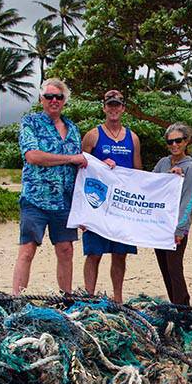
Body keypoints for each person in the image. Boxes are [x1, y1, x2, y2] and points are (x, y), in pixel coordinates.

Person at [11, 78, 87, 295]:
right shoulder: (30, 123)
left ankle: (66, 297)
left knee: (66, 250)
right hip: (35, 199)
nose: (54, 100)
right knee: (27, 250)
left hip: (65, 202)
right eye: (49, 96)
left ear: (64, 101)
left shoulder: (73, 129)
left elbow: (82, 164)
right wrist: (70, 158)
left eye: (59, 97)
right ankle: (17, 298)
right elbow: (33, 156)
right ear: (41, 99)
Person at [79, 89, 142, 301]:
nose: (114, 109)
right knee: (94, 253)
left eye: (118, 105)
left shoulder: (132, 138)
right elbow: (82, 170)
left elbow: (137, 174)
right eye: (110, 105)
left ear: (123, 108)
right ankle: (89, 295)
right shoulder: (93, 135)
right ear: (104, 107)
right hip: (97, 204)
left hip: (121, 207)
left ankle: (118, 297)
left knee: (120, 254)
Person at [152, 122, 192, 305]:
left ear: (186, 142)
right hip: (160, 224)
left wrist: (181, 229)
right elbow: (149, 185)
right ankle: (174, 302)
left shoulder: (190, 168)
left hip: (177, 226)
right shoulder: (163, 163)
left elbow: (188, 199)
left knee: (174, 268)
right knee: (164, 267)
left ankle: (182, 304)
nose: (174, 145)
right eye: (170, 142)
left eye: (178, 141)